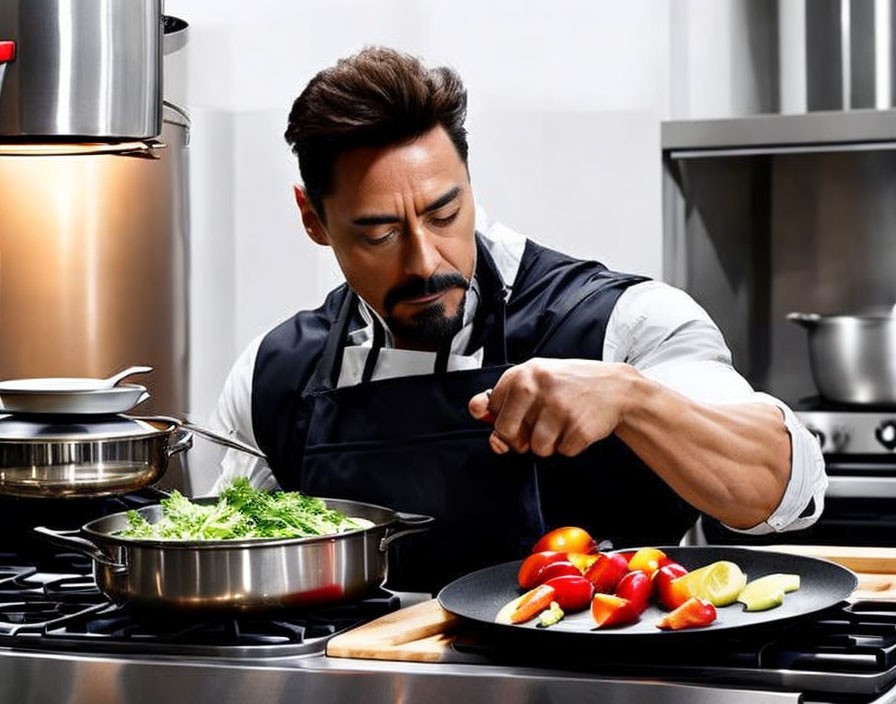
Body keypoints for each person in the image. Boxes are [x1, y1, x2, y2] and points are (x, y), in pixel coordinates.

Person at [209, 47, 826, 592]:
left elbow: (781, 491)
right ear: (313, 219)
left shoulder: (623, 323)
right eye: (381, 232)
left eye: (444, 214)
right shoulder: (274, 375)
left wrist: (632, 400)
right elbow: (235, 567)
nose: (425, 261)